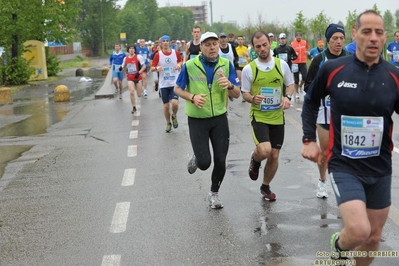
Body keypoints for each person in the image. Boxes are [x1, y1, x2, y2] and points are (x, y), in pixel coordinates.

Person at [301, 10, 399, 265]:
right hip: (345, 164)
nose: (374, 38)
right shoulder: (333, 69)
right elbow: (310, 102)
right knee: (358, 230)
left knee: (374, 237)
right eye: (367, 31)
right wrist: (308, 139)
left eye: (379, 32)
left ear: (385, 36)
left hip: (380, 167)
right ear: (355, 34)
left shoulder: (393, 76)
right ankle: (338, 244)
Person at [174, 32, 241, 209]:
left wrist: (231, 86)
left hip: (219, 118)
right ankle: (198, 158)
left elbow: (237, 93)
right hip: (198, 119)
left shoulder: (226, 65)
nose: (212, 47)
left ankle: (214, 194)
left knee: (220, 160)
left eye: (215, 44)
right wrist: (192, 97)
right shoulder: (189, 65)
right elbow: (177, 89)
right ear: (201, 47)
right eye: (208, 44)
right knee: (205, 163)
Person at [241, 31, 294, 201]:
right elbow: (245, 94)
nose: (262, 49)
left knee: (274, 155)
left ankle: (265, 186)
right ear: (254, 48)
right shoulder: (249, 69)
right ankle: (255, 160)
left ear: (270, 43)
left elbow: (290, 85)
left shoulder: (281, 65)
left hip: (277, 117)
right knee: (265, 150)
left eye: (265, 44)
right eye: (258, 46)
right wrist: (252, 98)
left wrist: (287, 97)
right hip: (259, 116)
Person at [303, 23, 350, 199]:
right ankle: (322, 182)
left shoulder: (350, 58)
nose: (338, 42)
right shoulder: (319, 60)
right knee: (324, 152)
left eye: (341, 38)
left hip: (345, 113)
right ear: (328, 40)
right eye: (334, 38)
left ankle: (345, 184)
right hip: (325, 111)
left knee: (345, 151)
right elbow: (308, 87)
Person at [151, 35, 183, 133]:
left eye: (167, 41)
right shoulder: (158, 55)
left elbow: (181, 61)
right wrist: (156, 68)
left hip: (174, 83)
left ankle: (174, 115)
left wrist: (179, 65)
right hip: (164, 83)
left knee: (175, 103)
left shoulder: (175, 53)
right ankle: (168, 123)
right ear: (161, 43)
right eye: (163, 41)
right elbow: (152, 68)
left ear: (169, 43)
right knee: (166, 106)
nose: (165, 42)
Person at [122, 45, 146, 113]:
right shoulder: (125, 58)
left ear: (135, 50)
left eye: (133, 48)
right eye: (130, 48)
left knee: (139, 95)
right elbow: (123, 67)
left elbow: (144, 66)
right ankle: (134, 107)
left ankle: (141, 89)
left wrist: (139, 72)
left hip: (138, 77)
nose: (131, 50)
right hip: (130, 77)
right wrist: (122, 69)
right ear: (128, 50)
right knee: (132, 92)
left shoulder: (138, 57)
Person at [290, 32, 310, 99]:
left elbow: (307, 48)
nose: (299, 38)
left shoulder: (304, 42)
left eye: (300, 36)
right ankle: (297, 93)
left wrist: (307, 52)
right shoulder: (292, 44)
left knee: (305, 77)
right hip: (295, 63)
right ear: (295, 37)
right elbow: (290, 52)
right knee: (296, 79)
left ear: (301, 37)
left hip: (303, 62)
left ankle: (300, 85)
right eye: (297, 36)